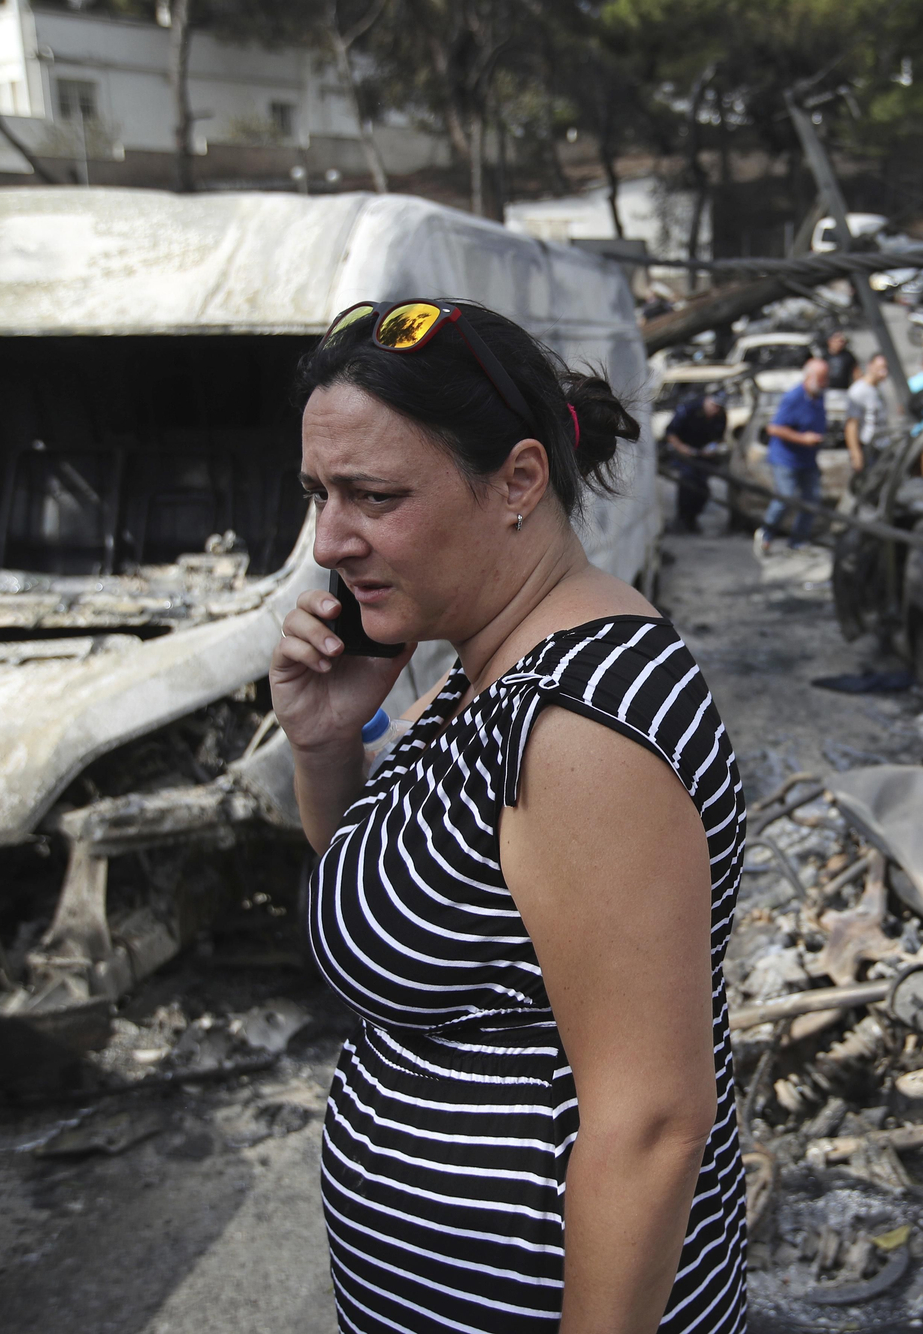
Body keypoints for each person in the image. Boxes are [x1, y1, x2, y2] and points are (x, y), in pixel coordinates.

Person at [271, 299, 747, 1334]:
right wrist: (324, 741)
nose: (329, 542)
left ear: (520, 481)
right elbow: (404, 899)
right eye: (318, 494)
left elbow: (653, 1122)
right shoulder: (486, 671)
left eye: (373, 496)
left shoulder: (576, 725)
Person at [759, 355, 829, 554]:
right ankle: (765, 536)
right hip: (786, 459)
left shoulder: (819, 396)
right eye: (822, 378)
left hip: (808, 460)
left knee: (812, 500)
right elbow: (774, 428)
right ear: (809, 377)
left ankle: (798, 541)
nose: (825, 382)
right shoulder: (793, 397)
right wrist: (802, 438)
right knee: (785, 498)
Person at [665, 389, 726, 534]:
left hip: (704, 456)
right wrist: (682, 448)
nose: (715, 410)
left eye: (718, 407)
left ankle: (692, 520)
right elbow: (670, 432)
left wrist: (713, 448)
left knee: (702, 489)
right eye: (713, 405)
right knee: (687, 485)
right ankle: (682, 520)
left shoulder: (721, 415)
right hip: (685, 454)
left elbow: (719, 438)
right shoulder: (689, 409)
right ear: (707, 400)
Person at [844, 352, 889, 473]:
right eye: (880, 368)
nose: (883, 372)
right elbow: (851, 425)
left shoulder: (879, 389)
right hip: (867, 446)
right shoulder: (859, 391)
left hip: (882, 445)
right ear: (870, 366)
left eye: (885, 368)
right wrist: (855, 453)